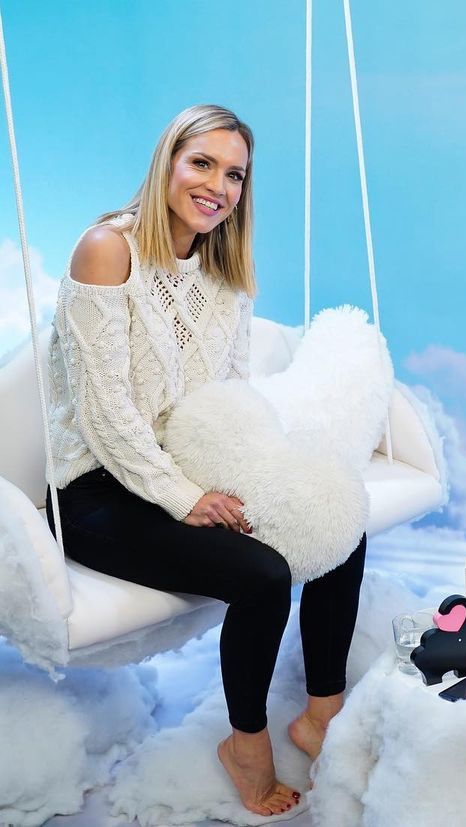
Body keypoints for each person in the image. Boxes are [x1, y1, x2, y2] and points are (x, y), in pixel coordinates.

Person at [45, 104, 367, 818]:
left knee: (338, 516)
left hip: (185, 469)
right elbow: (104, 413)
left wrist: (254, 475)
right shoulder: (107, 249)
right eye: (202, 164)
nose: (217, 186)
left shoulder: (227, 275)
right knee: (262, 576)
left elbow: (231, 398)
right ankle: (245, 745)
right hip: (97, 490)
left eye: (235, 175)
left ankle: (322, 713)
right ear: (168, 162)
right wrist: (184, 496)